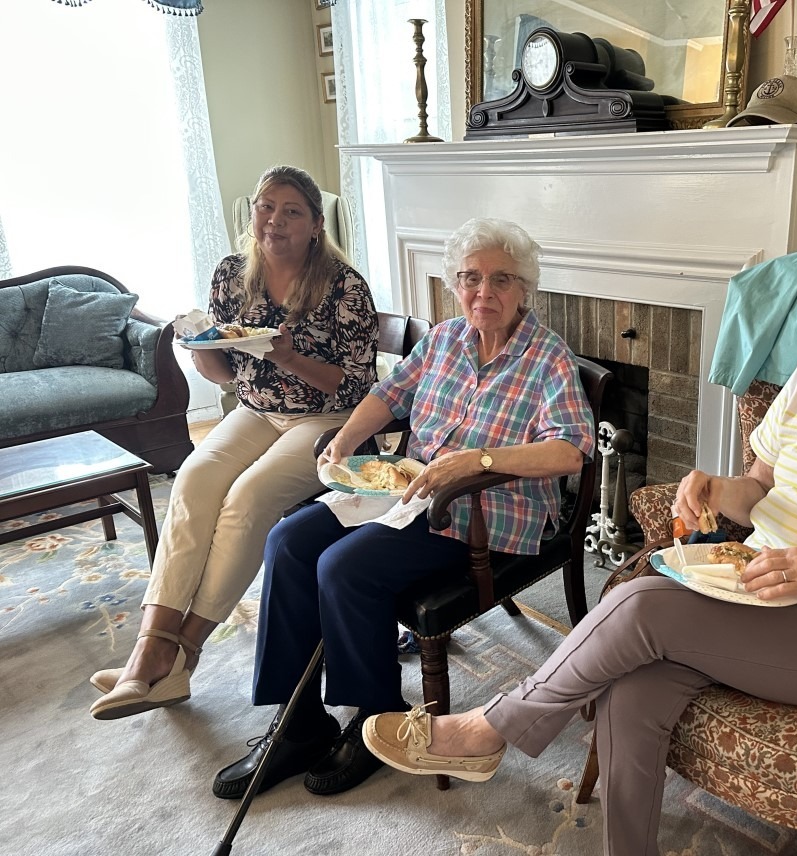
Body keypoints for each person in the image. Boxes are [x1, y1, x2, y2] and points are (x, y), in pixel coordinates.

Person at [360, 201, 797, 856]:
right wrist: (715, 488)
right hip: (753, 596)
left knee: (638, 603)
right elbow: (759, 491)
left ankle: (490, 729)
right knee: (630, 688)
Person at [210, 218, 596, 799]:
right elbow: (387, 394)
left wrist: (478, 461)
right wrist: (344, 437)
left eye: (500, 280)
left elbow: (570, 450)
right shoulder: (443, 339)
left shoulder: (549, 360)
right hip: (407, 497)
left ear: (525, 289)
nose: (482, 293)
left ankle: (375, 719)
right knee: (287, 541)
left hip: (484, 513)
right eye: (469, 278)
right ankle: (299, 725)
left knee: (343, 567)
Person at [89, 165, 379, 721]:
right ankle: (152, 645)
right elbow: (223, 371)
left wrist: (288, 355)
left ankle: (180, 655)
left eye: (291, 211)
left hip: (329, 419)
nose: (274, 220)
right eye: (265, 206)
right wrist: (197, 349)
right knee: (194, 481)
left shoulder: (344, 286)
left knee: (248, 498)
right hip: (256, 411)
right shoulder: (230, 275)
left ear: (316, 225)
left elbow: (359, 386)